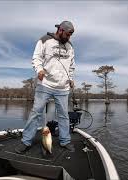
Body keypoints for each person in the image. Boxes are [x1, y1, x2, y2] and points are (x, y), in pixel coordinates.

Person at [15, 21, 76, 154]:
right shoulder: (44, 40)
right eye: (68, 34)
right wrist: (39, 70)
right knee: (36, 113)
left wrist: (70, 79)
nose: (69, 37)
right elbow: (36, 58)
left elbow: (71, 65)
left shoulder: (70, 46)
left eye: (71, 35)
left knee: (64, 115)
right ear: (60, 30)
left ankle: (65, 141)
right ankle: (26, 141)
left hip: (63, 87)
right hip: (45, 84)